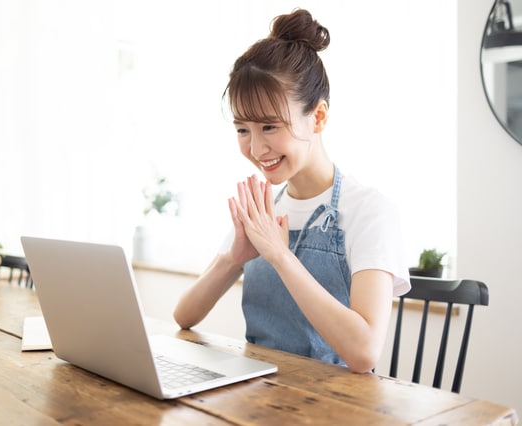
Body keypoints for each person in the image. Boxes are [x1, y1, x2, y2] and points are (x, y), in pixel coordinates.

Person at [173, 8, 410, 373]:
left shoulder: (369, 211)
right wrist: (234, 257)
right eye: (242, 129)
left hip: (337, 405)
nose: (255, 148)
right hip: (259, 396)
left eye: (269, 126)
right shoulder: (264, 210)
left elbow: (364, 353)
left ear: (318, 117)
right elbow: (184, 315)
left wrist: (280, 256)